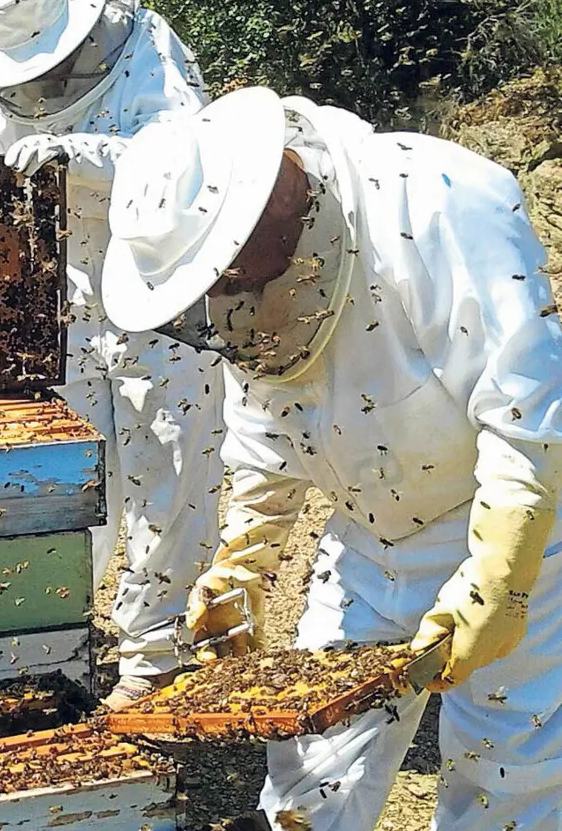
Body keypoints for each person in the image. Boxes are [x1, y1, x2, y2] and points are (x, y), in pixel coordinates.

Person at [103, 86, 562, 831]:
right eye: (213, 283)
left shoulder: (440, 200)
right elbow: (268, 427)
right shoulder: (241, 287)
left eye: (228, 270)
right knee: (310, 767)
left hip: (513, 520)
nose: (226, 292)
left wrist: (502, 576)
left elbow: (530, 414)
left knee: (507, 774)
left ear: (275, 197)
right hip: (367, 538)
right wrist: (246, 556)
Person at [0, 0, 226, 710]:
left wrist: (82, 155)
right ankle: (53, 634)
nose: (34, 83)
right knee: (66, 473)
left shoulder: (149, 48)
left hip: (160, 292)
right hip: (62, 300)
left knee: (164, 465)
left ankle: (153, 651)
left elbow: (187, 162)